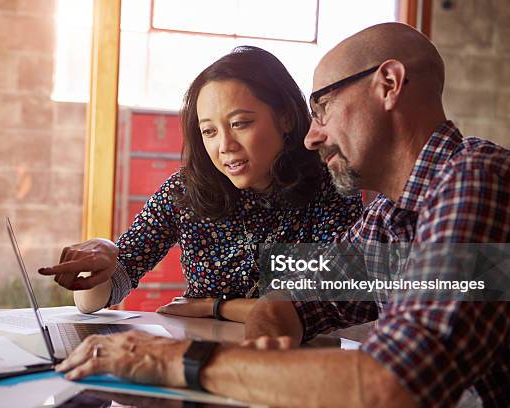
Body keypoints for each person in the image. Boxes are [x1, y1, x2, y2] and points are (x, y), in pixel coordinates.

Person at [52, 23, 509, 407]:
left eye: (323, 107)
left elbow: (395, 382)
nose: (313, 137)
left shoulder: (476, 179)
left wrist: (175, 359)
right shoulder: (391, 214)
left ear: (388, 84)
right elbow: (297, 297)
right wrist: (264, 342)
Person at [38, 46, 362, 322]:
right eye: (209, 131)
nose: (225, 145)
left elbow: (329, 304)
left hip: (296, 371)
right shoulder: (185, 190)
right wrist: (104, 256)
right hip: (202, 363)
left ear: (286, 118)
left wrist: (215, 308)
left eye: (240, 123)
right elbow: (95, 300)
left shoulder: (330, 186)